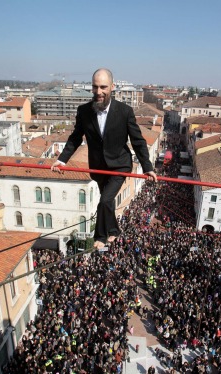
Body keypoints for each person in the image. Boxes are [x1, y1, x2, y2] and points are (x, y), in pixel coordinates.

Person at [51, 68, 157, 249]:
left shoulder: (125, 111)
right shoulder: (84, 111)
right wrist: (62, 160)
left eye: (103, 87)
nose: (98, 92)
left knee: (105, 201)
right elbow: (76, 137)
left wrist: (147, 167)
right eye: (95, 87)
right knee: (106, 203)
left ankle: (99, 236)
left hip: (120, 165)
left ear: (112, 87)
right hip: (98, 168)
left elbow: (138, 141)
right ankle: (114, 230)